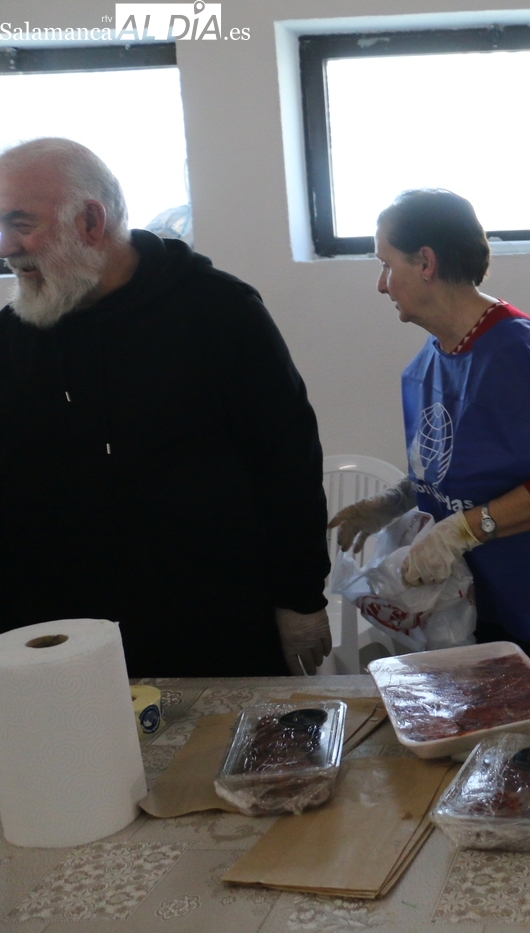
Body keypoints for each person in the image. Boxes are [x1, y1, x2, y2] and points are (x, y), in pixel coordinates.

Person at [0, 138, 331, 676]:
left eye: (20, 223)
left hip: (209, 627)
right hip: (62, 640)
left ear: (90, 221)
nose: (5, 246)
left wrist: (300, 597)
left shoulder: (218, 313)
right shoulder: (16, 334)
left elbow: (286, 463)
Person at [329, 189, 530, 659]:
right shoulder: (438, 353)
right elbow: (461, 464)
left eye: (386, 264)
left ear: (426, 262)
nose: (382, 285)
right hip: (481, 590)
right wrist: (394, 502)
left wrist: (457, 532)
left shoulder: (512, 350)